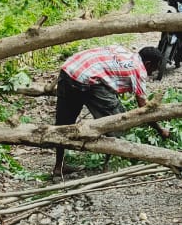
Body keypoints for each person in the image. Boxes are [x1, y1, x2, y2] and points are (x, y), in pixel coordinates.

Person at [53, 44, 169, 177]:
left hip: (69, 69)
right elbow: (144, 109)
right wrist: (160, 130)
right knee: (117, 123)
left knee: (63, 124)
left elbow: (107, 70)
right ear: (148, 64)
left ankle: (58, 167)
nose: (154, 72)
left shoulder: (124, 51)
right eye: (155, 68)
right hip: (86, 80)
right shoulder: (139, 71)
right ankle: (110, 164)